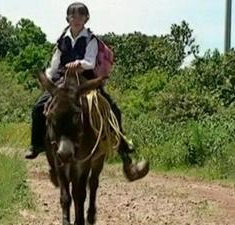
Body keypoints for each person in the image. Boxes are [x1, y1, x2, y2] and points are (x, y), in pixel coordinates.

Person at [25, 2, 149, 181]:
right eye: (73, 16)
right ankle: (36, 145)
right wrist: (48, 82)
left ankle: (126, 158)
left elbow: (90, 62)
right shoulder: (62, 40)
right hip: (63, 81)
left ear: (86, 19)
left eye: (80, 16)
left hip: (86, 81)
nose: (76, 19)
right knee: (38, 108)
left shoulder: (91, 39)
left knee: (113, 110)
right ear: (68, 18)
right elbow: (54, 66)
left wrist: (79, 64)